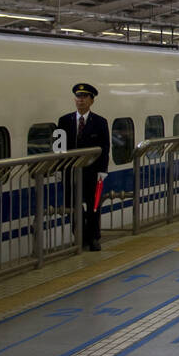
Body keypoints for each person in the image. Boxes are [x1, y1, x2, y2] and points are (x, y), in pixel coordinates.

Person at [58, 83, 110, 251]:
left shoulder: (101, 122)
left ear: (91, 101)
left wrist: (102, 172)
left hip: (92, 173)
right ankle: (80, 236)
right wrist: (60, 171)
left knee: (94, 205)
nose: (80, 100)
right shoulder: (64, 121)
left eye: (84, 97)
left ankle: (94, 238)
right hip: (71, 173)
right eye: (78, 97)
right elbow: (58, 149)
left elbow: (105, 148)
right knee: (74, 205)